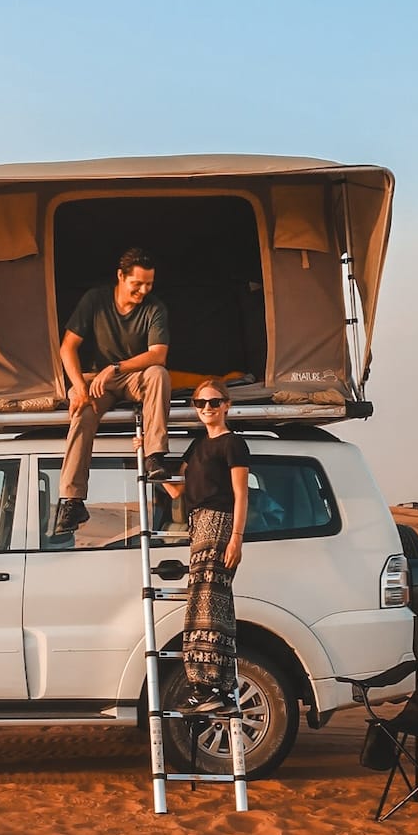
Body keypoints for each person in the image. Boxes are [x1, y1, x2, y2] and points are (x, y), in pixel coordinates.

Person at [53, 247, 172, 536]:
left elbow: (158, 355)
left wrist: (116, 368)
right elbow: (68, 347)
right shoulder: (95, 300)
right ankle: (72, 500)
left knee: (159, 374)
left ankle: (154, 456)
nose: (143, 290)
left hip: (133, 376)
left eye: (149, 284)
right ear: (121, 276)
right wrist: (80, 388)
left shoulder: (155, 308)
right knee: (80, 413)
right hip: (96, 381)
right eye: (137, 284)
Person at [154, 378, 250, 713]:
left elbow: (241, 494)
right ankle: (218, 690)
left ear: (226, 405)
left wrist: (237, 538)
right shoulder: (197, 447)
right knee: (209, 605)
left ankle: (208, 687)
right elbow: (178, 491)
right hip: (198, 527)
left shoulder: (233, 443)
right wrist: (146, 457)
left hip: (220, 524)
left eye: (213, 402)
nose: (207, 408)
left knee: (208, 604)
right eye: (200, 403)